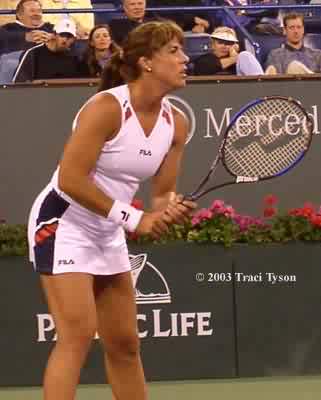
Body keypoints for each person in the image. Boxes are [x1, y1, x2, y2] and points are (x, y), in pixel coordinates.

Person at [27, 20, 196, 400]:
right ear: (147, 62)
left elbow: (162, 192)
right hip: (63, 222)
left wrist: (170, 209)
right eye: (174, 51)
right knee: (77, 335)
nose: (186, 59)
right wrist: (136, 219)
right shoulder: (106, 108)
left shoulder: (177, 124)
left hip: (106, 230)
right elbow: (71, 179)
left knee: (125, 343)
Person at [13, 18, 79, 82]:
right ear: (54, 35)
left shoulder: (74, 57)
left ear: (74, 39)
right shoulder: (33, 53)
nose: (64, 40)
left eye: (69, 37)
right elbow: (19, 83)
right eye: (62, 35)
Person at [193, 26, 264, 76]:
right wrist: (235, 58)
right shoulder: (204, 60)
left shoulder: (242, 60)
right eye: (220, 42)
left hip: (241, 92)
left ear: (235, 45)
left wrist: (236, 55)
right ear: (213, 44)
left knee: (245, 55)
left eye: (229, 43)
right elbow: (205, 69)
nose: (224, 46)